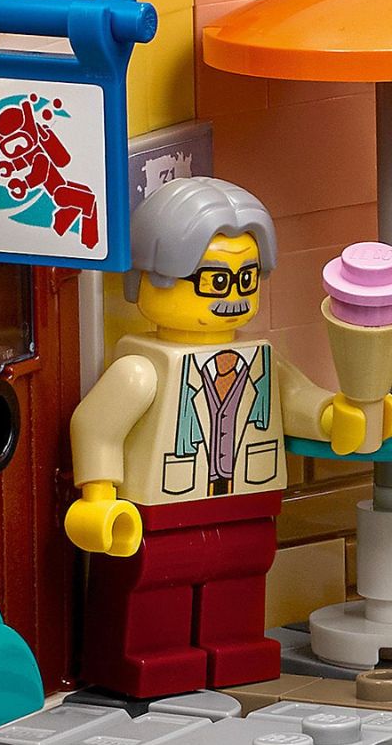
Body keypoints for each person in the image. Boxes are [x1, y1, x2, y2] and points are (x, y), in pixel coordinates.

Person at [65, 176, 380, 699]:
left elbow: (297, 401)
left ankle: (235, 645)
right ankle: (149, 656)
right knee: (155, 580)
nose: (233, 296)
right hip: (160, 511)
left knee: (241, 571)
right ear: (149, 278)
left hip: (247, 501)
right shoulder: (142, 367)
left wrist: (335, 416)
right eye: (214, 281)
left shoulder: (262, 359)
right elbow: (96, 425)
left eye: (246, 279)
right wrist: (98, 495)